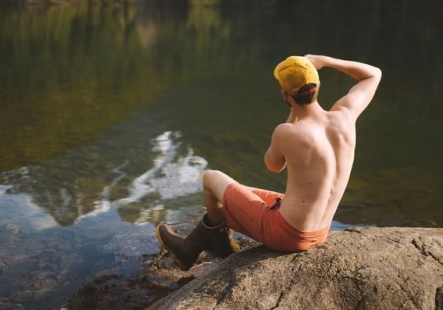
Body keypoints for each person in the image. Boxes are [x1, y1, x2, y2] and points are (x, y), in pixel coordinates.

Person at [156, 54, 382, 270]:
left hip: (287, 234)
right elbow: (373, 74)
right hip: (320, 231)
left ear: (285, 94)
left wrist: (292, 113)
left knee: (211, 178)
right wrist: (324, 61)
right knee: (236, 195)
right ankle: (204, 245)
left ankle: (205, 248)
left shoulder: (287, 132)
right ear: (317, 85)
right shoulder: (345, 116)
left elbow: (273, 165)